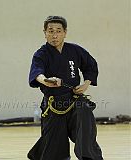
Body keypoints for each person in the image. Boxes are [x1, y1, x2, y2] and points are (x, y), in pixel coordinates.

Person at [28, 16, 103, 160]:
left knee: (85, 125)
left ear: (65, 32)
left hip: (75, 100)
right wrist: (45, 80)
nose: (54, 35)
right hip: (53, 103)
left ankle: (90, 158)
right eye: (50, 31)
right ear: (45, 33)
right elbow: (37, 72)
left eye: (58, 31)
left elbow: (90, 66)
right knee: (54, 149)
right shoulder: (41, 54)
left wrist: (86, 84)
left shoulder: (75, 50)